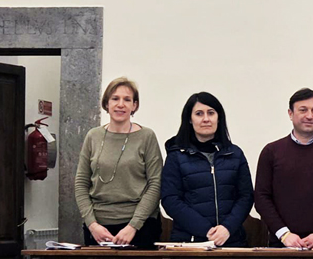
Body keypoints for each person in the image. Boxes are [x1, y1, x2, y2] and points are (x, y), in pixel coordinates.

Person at [254, 88, 313, 248]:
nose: (309, 116)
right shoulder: (271, 151)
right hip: (281, 244)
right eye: (303, 110)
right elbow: (261, 197)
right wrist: (284, 234)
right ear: (290, 114)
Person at [74, 77, 163, 249]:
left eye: (127, 100)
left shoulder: (147, 137)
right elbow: (81, 183)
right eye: (115, 98)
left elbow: (155, 183)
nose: (120, 104)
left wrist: (133, 226)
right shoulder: (93, 136)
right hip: (99, 228)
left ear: (134, 105)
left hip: (140, 226)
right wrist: (92, 224)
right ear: (106, 104)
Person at [161, 92, 253, 246]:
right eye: (199, 114)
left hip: (231, 240)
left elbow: (246, 196)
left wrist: (227, 228)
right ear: (190, 119)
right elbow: (171, 200)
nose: (206, 119)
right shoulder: (176, 156)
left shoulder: (235, 154)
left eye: (211, 113)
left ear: (219, 117)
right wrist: (206, 230)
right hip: (190, 242)